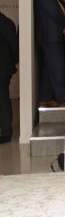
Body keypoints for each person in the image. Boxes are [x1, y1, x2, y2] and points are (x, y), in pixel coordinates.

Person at [34, 0, 65, 106]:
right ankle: (63, 99)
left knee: (49, 68)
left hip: (51, 37)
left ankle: (44, 97)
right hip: (50, 38)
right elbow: (55, 13)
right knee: (57, 67)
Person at [0, 10, 18, 143]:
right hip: (4, 67)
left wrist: (15, 61)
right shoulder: (6, 22)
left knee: (2, 98)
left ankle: (6, 131)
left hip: (2, 68)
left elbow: (14, 45)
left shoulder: (5, 22)